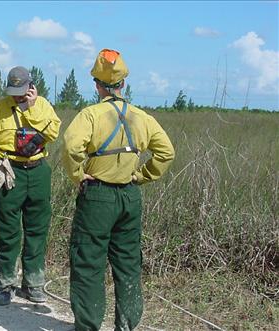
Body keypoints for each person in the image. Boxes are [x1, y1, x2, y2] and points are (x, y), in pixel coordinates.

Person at [61, 49, 175, 331]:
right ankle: (126, 326)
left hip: (98, 196)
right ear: (123, 83)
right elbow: (166, 153)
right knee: (128, 264)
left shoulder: (90, 115)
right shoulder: (142, 117)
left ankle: (88, 326)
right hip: (129, 196)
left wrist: (78, 175)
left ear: (97, 85)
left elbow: (71, 146)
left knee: (88, 263)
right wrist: (141, 176)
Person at [0, 66, 61, 306]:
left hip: (38, 172)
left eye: (21, 90)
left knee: (37, 230)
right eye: (13, 91)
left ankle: (33, 284)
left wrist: (31, 108)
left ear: (31, 86)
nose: (16, 95)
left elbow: (54, 131)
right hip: (9, 171)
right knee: (8, 231)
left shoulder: (43, 105)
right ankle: (6, 283)